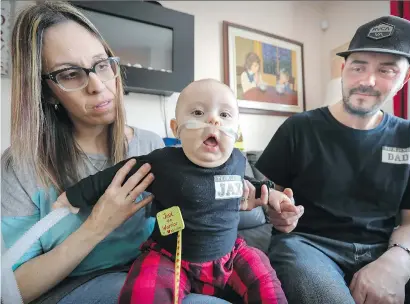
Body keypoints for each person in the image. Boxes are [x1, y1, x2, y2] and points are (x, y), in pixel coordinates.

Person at [0, 2, 249, 304]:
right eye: (69, 74)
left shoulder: (149, 144)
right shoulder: (22, 166)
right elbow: (12, 290)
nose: (97, 85)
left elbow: (172, 218)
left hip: (157, 267)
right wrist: (96, 226)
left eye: (102, 65)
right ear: (47, 91)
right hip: (77, 287)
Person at [55, 78, 290, 304]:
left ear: (235, 132)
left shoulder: (237, 161)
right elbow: (117, 175)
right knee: (144, 292)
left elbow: (248, 184)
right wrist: (73, 196)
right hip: (171, 257)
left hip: (230, 254)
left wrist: (273, 194)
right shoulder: (163, 162)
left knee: (266, 281)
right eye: (198, 113)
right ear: (176, 129)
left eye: (224, 115)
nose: (213, 120)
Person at [256, 15, 410, 304]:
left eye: (386, 70)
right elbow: (263, 196)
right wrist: (276, 209)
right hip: (308, 246)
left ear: (406, 77)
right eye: (358, 67)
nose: (367, 81)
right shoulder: (298, 128)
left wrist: (396, 264)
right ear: (343, 68)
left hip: (385, 247)